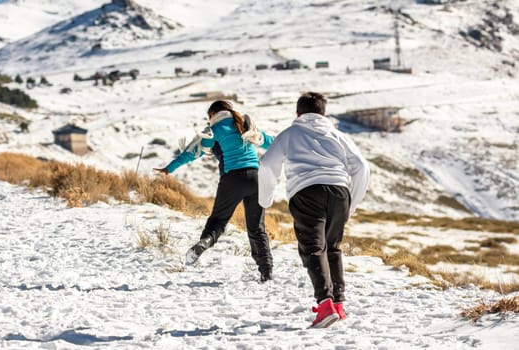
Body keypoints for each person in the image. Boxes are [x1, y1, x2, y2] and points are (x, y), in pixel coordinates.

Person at [258, 92, 369, 328]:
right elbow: (360, 166)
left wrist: (265, 200)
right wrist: (352, 204)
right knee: (333, 248)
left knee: (313, 248)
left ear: (297, 113)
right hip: (339, 192)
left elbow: (267, 164)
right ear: (323, 113)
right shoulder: (338, 135)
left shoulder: (290, 134)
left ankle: (325, 305)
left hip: (307, 192)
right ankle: (338, 304)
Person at [154, 100, 274, 282]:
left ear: (212, 115)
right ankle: (267, 272)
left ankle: (206, 241)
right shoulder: (243, 123)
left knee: (218, 220)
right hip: (256, 178)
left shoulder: (214, 130)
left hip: (232, 179)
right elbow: (269, 142)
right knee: (257, 228)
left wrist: (169, 168)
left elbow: (192, 152)